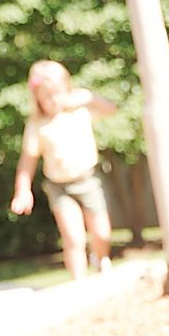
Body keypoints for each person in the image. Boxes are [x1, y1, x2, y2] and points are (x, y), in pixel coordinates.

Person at [10, 61, 117, 280]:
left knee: (101, 234)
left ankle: (100, 259)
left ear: (67, 90)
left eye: (57, 93)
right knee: (73, 239)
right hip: (59, 186)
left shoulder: (80, 111)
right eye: (46, 96)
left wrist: (89, 97)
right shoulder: (37, 124)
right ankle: (79, 283)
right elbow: (27, 162)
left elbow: (111, 109)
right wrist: (23, 191)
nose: (53, 100)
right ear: (37, 98)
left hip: (88, 180)